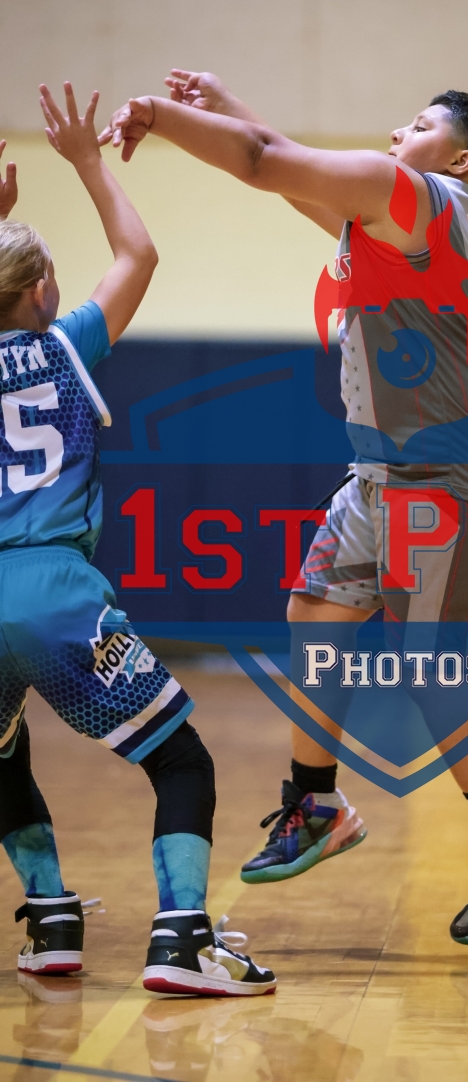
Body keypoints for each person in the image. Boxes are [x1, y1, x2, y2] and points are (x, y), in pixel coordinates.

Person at [102, 70, 468, 945]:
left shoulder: (420, 198)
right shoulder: (416, 221)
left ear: (460, 158)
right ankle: (315, 804)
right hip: (389, 471)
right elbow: (288, 176)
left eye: (421, 123)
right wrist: (227, 108)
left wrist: (161, 117)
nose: (400, 131)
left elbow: (263, 161)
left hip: (461, 476)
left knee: (437, 671)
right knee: (317, 610)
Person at [0, 83, 274, 996]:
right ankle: (183, 939)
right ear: (43, 291)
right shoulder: (66, 345)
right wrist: (86, 161)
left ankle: (51, 919)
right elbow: (138, 253)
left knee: (3, 753)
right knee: (179, 758)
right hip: (57, 589)